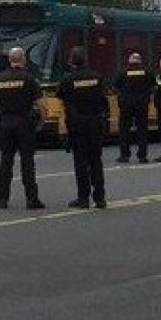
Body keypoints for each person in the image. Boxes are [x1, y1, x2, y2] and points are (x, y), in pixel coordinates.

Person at [0, 46, 45, 210]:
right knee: (27, 161)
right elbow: (40, 104)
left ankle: (2, 199)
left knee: (6, 161)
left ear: (9, 60)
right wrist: (41, 120)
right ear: (23, 60)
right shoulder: (29, 79)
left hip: (6, 122)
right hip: (24, 122)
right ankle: (31, 199)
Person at [57, 46, 108, 209]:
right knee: (96, 161)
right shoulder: (97, 77)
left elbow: (61, 98)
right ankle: (100, 198)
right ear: (85, 59)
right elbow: (104, 101)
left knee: (81, 163)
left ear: (71, 61)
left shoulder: (67, 79)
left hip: (77, 125)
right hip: (95, 123)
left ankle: (83, 198)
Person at [114, 51, 152, 164]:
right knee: (142, 131)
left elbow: (115, 86)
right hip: (142, 106)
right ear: (140, 62)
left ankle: (124, 155)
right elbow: (153, 85)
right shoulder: (147, 73)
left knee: (124, 131)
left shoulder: (123, 73)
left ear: (129, 62)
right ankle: (142, 156)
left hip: (126, 106)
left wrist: (121, 97)